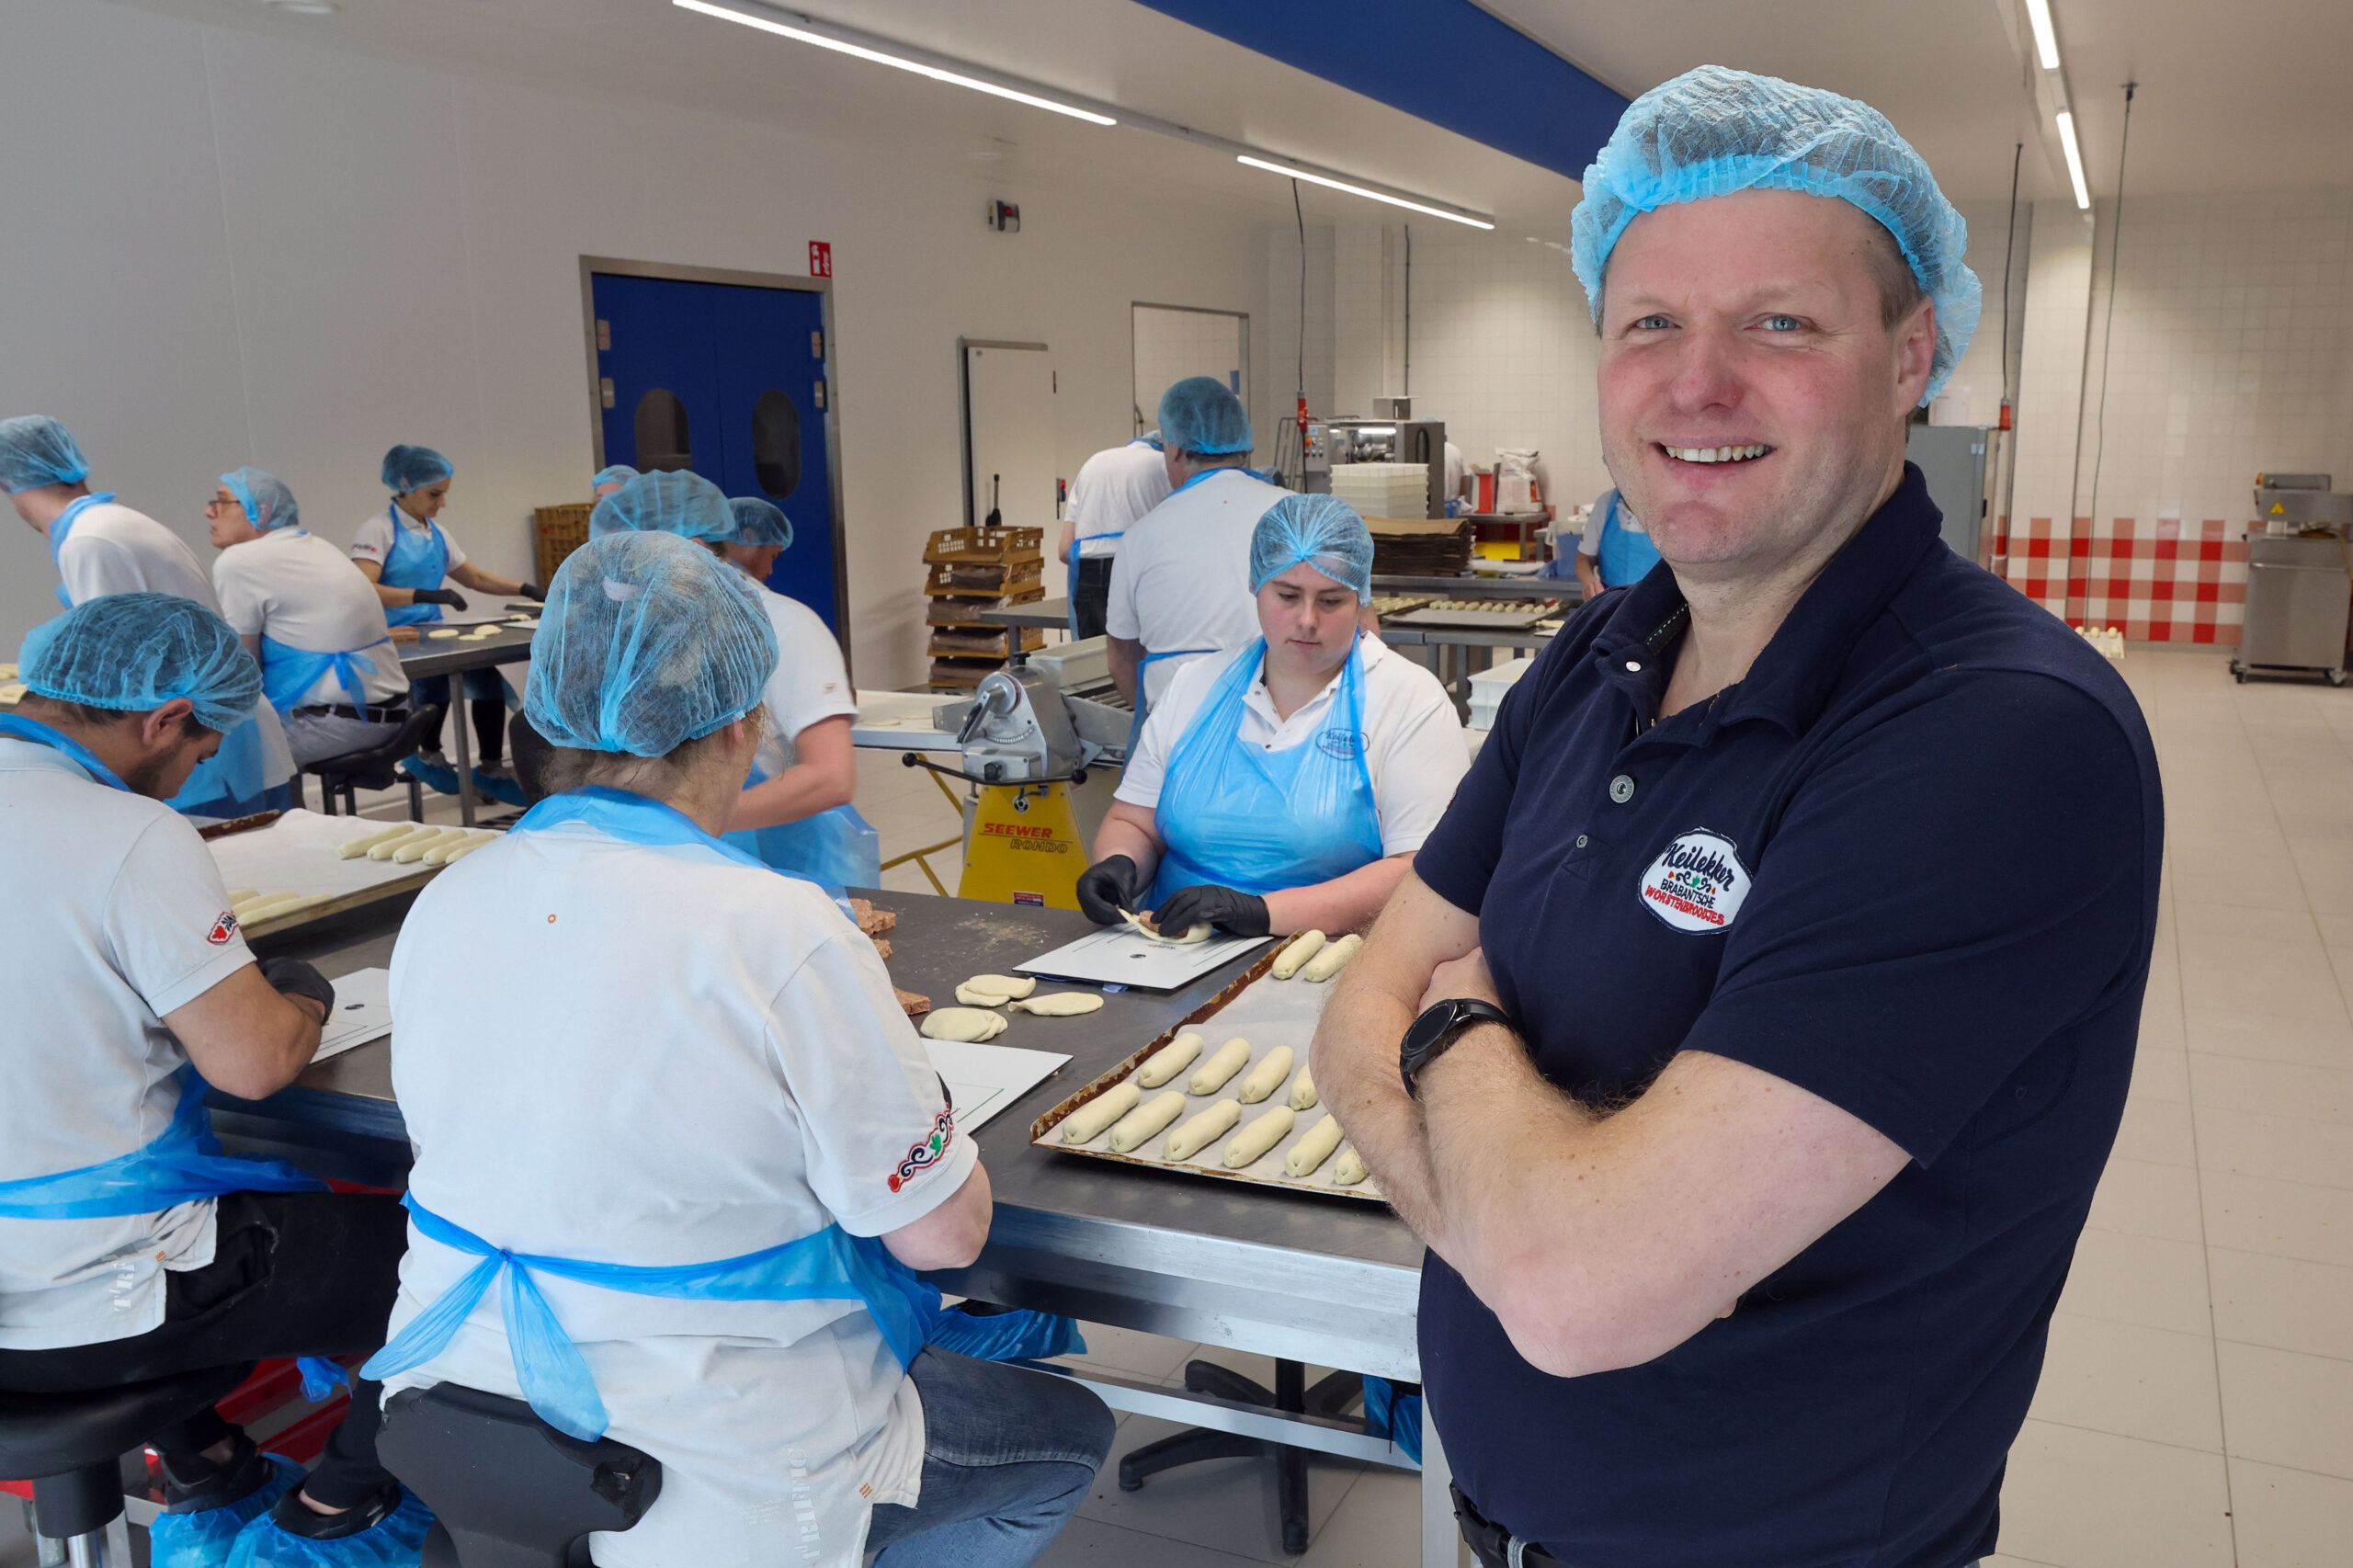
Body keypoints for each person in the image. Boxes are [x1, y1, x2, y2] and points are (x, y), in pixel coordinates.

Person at [1310, 65, 2159, 1568]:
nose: (1695, 386)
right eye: (1651, 324)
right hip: (1509, 1521)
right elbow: (1359, 992)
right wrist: (1511, 1204)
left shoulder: (1997, 736)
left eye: (1778, 322)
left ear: (1911, 358)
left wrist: (1451, 1028)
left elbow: (1576, 1292)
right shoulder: (1595, 654)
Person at [365, 532, 1111, 1568]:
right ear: (739, 726)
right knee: (1067, 1433)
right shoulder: (778, 927)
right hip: (717, 1459)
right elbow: (940, 1236)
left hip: (457, 1411)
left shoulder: (450, 899)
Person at [0, 594, 426, 1568]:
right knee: (438, 1254)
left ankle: (209, 1465)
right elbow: (255, 1062)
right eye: (200, 753)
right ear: (161, 717)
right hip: (88, 1295)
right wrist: (299, 997)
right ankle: (337, 1503)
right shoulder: (126, 834)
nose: (193, 779)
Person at [1077, 494, 1465, 939]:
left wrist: (1263, 913)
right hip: (1170, 954)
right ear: (1256, 586)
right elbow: (1135, 822)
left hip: (1325, 964)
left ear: (1362, 598)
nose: (1306, 620)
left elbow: (1416, 871)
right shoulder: (1196, 686)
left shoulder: (1408, 700)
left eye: (1331, 601)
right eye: (1287, 595)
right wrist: (1120, 863)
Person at [3, 415, 299, 819]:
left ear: (9, 484)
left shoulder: (90, 541)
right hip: (209, 733)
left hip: (196, 747)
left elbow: (111, 685)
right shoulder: (110, 524)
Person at [349, 444, 542, 804]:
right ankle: (429, 753)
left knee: (486, 681)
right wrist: (425, 595)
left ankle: (489, 766)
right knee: (433, 685)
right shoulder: (378, 529)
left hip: (431, 630)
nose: (442, 502)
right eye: (434, 494)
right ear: (405, 486)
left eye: (444, 494)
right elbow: (364, 588)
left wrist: (528, 589)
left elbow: (476, 578)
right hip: (396, 636)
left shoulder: (435, 532)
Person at [1104, 377, 1288, 729]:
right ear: (1244, 444)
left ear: (1172, 449)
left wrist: (1161, 721)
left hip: (1179, 730)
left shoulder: (1140, 536)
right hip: (1281, 726)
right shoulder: (1296, 513)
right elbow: (1361, 629)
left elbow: (1121, 660)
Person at [712, 494, 876, 887]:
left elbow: (830, 777)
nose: (770, 569)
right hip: (709, 873)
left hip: (796, 866)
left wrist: (701, 816)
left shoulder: (787, 626)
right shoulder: (662, 632)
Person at [208, 468, 411, 768]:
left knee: (211, 761)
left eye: (222, 502)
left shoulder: (239, 561)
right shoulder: (314, 544)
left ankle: (284, 818)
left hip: (342, 724)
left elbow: (243, 668)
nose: (209, 512)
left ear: (261, 513)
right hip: (393, 713)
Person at [1055, 432, 1170, 639]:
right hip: (1139, 572)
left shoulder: (1092, 464)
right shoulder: (1164, 465)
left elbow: (1065, 550)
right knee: (1137, 657)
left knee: (1091, 661)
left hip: (1086, 573)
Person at [1573, 484, 1661, 598]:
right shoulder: (1606, 503)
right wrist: (1590, 582)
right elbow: (1584, 559)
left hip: (1660, 603)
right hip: (1611, 603)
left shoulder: (1670, 505)